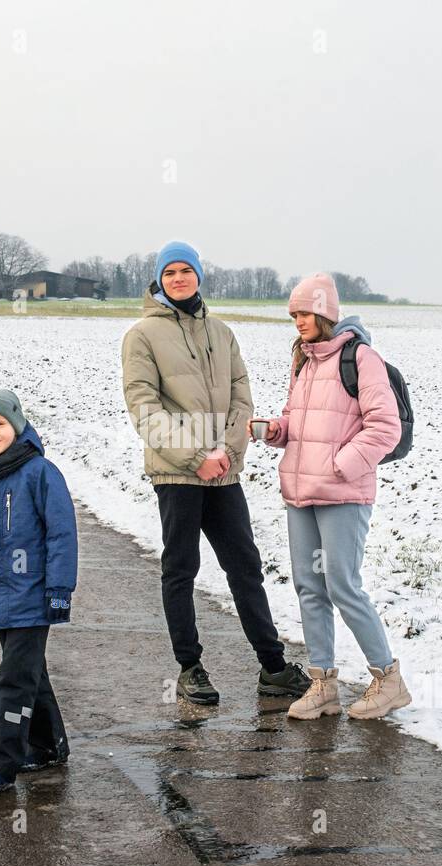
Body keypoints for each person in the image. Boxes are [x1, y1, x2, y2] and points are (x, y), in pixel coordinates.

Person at [121, 239, 311, 705]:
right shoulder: (142, 336)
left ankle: (273, 667)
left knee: (245, 567)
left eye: (186, 271)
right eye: (170, 273)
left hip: (224, 472)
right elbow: (144, 407)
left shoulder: (222, 333)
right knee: (181, 568)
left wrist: (225, 450)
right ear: (160, 280)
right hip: (178, 473)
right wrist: (195, 456)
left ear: (199, 277)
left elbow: (241, 396)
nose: (179, 279)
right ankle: (190, 668)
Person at [254, 273, 412, 720]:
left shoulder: (361, 358)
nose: (297, 321)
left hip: (343, 493)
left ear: (324, 313)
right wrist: (277, 431)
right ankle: (322, 683)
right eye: (293, 315)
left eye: (303, 313)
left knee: (343, 585)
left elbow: (385, 428)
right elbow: (296, 418)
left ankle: (388, 679)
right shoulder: (303, 360)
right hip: (301, 492)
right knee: (309, 587)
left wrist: (342, 465)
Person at [0, 389, 78, 791]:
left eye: (0, 423)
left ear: (17, 425)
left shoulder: (41, 473)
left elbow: (62, 534)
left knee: (13, 680)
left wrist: (59, 588)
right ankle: (47, 745)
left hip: (35, 595)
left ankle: (0, 763)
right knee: (30, 673)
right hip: (0, 597)